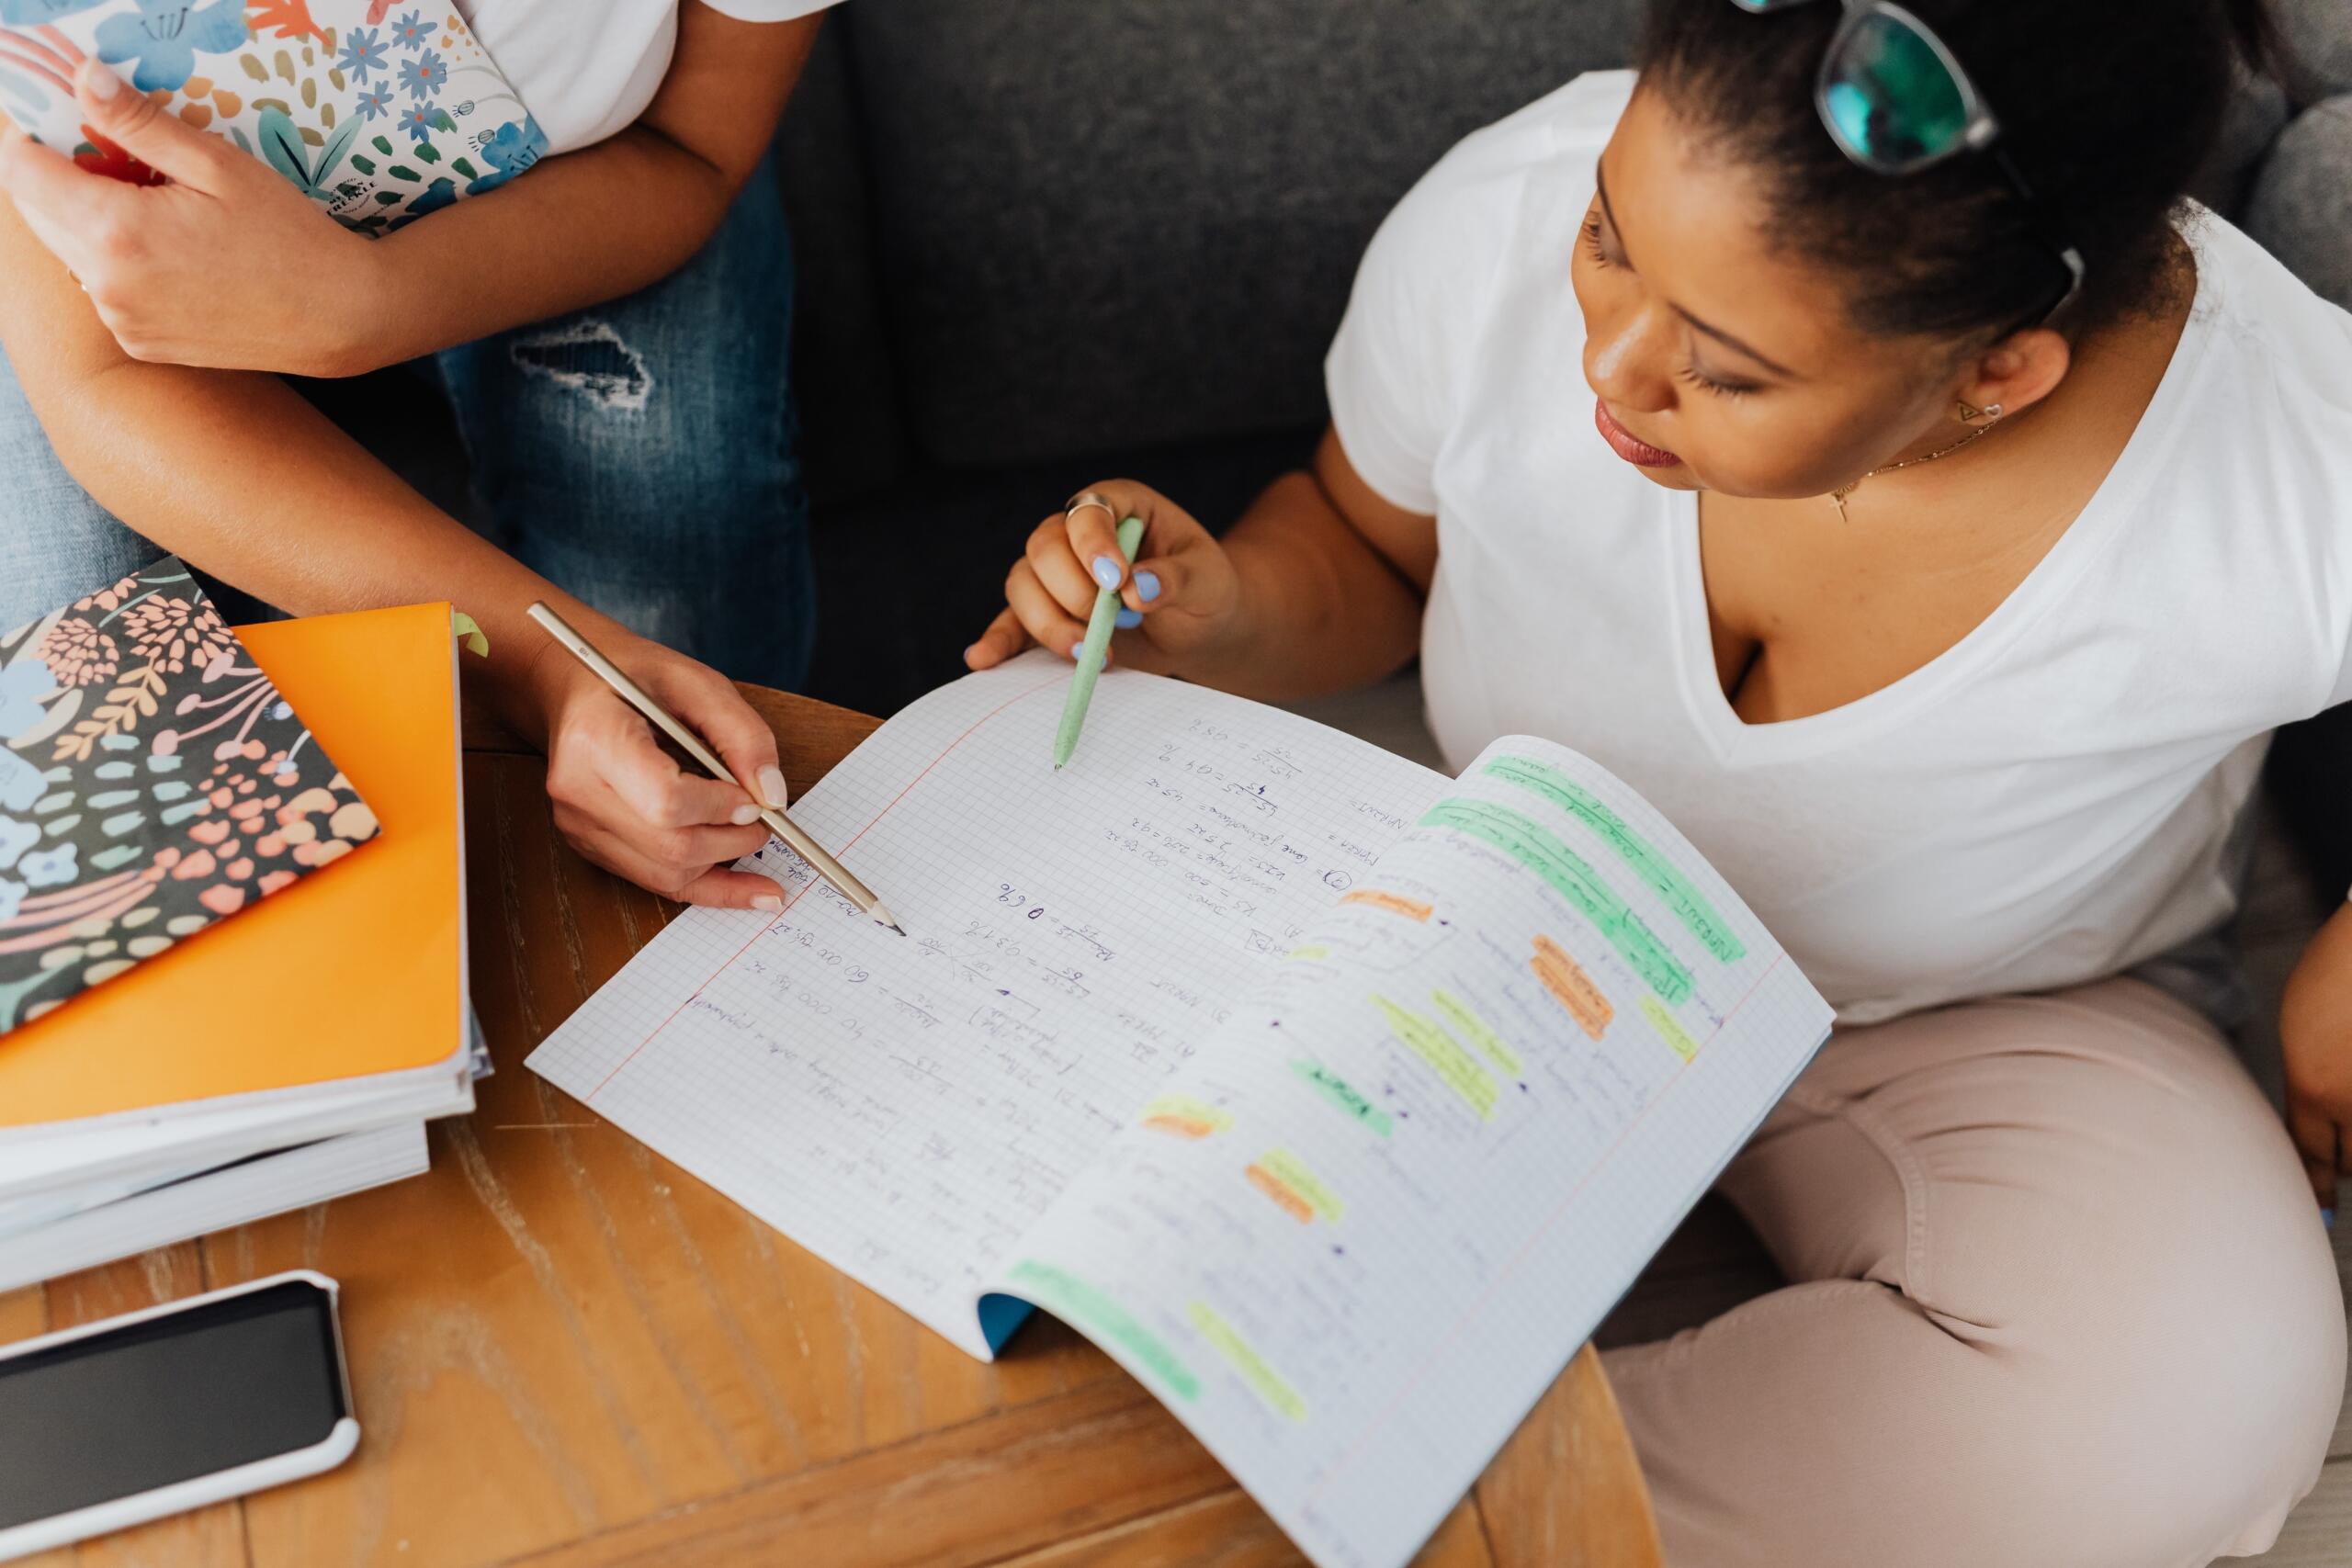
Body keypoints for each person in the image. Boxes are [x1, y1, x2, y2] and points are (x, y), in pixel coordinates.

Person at [967, 0, 2352, 1562]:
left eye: (1729, 370)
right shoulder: (1506, 202)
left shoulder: (2286, 458)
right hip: (1495, 926)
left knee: (2190, 1415)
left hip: (1977, 1019)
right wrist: (1231, 607)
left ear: (2000, 373)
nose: (1608, 365)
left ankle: (1318, 1508)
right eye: (1609, 240)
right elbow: (1365, 542)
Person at [0, 0, 832, 910]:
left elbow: (694, 150)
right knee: (79, 708)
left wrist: (363, 309)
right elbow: (98, 380)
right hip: (71, 254)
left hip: (597, 167)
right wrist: (546, 662)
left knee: (670, 588)